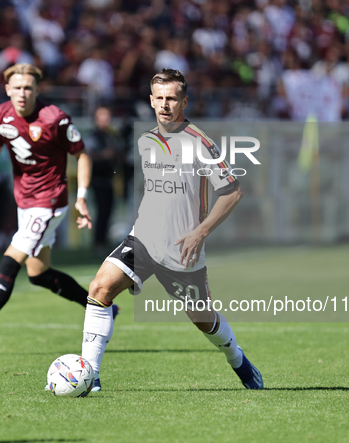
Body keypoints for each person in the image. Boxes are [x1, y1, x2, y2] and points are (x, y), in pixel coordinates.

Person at [80, 69, 263, 392]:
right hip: (143, 241)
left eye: (172, 98)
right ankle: (89, 375)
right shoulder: (146, 140)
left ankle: (238, 359)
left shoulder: (200, 143)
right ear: (151, 101)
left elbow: (233, 192)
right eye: (160, 98)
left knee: (204, 320)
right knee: (99, 288)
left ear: (184, 101)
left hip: (183, 251)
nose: (165, 105)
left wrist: (200, 232)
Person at [0, 63, 117, 352]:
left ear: (37, 90)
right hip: (24, 201)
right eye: (17, 88)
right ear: (7, 89)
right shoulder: (0, 115)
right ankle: (103, 307)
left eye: (28, 88)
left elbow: (82, 155)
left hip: (49, 202)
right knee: (39, 275)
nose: (22, 93)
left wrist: (82, 196)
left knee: (10, 261)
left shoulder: (55, 119)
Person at [84, 106, 123, 253]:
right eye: (102, 116)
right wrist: (106, 155)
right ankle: (98, 242)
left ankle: (104, 241)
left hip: (109, 180)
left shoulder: (110, 136)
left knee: (108, 211)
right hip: (97, 180)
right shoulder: (93, 136)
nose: (105, 120)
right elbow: (90, 155)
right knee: (102, 211)